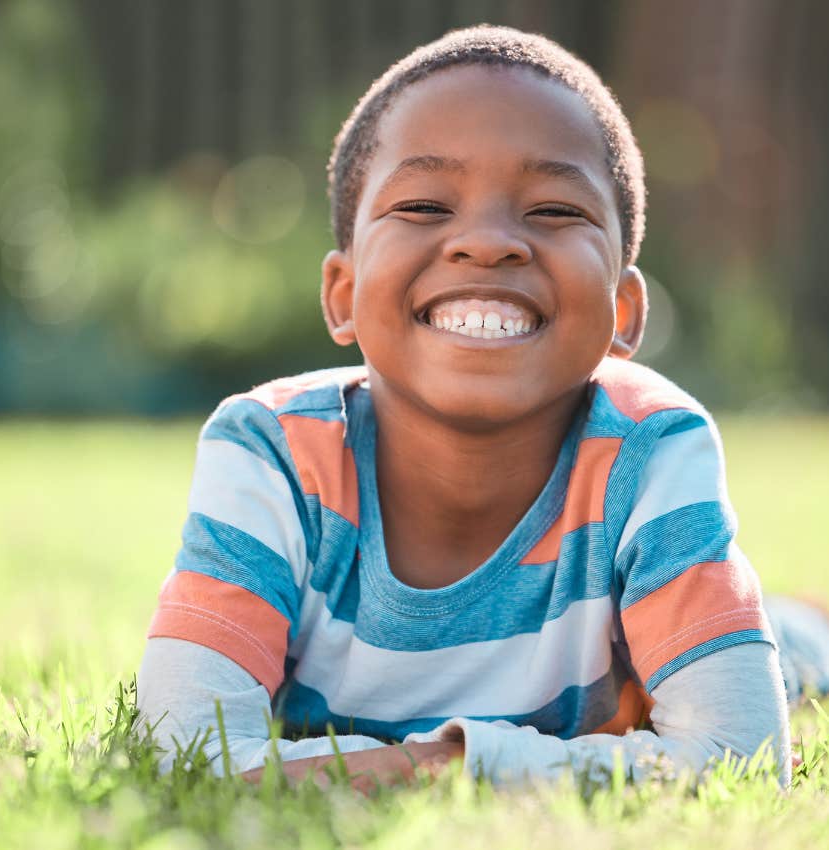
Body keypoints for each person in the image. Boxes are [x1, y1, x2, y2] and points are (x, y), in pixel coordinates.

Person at [135, 25, 819, 790]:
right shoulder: (273, 455)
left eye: (555, 210)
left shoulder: (649, 448)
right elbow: (184, 755)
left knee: (790, 660)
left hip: (657, 659)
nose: (489, 243)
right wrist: (444, 766)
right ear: (343, 295)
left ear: (624, 312)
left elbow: (743, 755)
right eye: (425, 204)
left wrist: (446, 764)